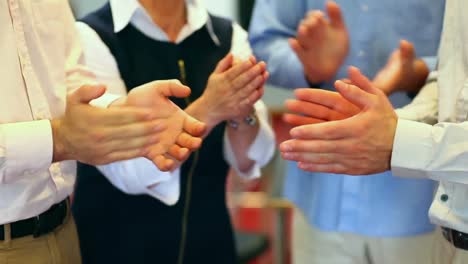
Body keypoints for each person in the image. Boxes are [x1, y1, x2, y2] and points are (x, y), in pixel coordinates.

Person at [0, 1, 207, 263]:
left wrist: (120, 112)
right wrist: (58, 140)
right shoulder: (100, 29)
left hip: (63, 229)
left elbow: (67, 77)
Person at [71, 0, 276, 263]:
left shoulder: (227, 35)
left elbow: (250, 159)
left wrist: (241, 113)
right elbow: (127, 171)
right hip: (117, 242)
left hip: (210, 239)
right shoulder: (91, 35)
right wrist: (209, 109)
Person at [249, 0, 444, 263]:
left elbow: (460, 59)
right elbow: (262, 42)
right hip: (319, 190)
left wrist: (420, 71)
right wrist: (306, 67)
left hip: (419, 195)